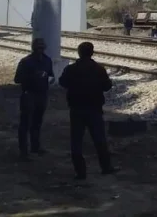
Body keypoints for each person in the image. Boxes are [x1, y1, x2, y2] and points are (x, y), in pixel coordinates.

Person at [58, 42, 116, 180]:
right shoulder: (99, 69)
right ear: (92, 53)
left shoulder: (71, 69)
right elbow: (107, 86)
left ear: (79, 52)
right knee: (99, 140)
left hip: (76, 109)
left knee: (76, 141)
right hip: (94, 109)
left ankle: (80, 172)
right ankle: (106, 167)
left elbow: (62, 83)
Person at [14, 37, 54, 160]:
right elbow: (17, 79)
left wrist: (50, 79)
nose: (40, 48)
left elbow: (51, 75)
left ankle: (35, 147)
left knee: (37, 122)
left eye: (42, 46)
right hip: (29, 94)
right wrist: (33, 77)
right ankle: (23, 151)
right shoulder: (26, 62)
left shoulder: (47, 60)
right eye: (38, 46)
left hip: (42, 94)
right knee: (25, 123)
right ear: (33, 47)